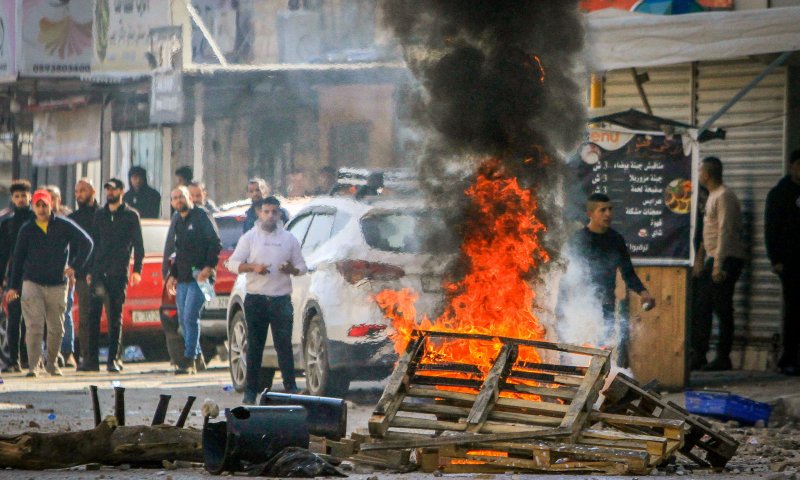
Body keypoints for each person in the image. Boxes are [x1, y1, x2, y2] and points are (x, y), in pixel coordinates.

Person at [226, 196, 307, 403]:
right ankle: (250, 391)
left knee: (284, 346)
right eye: (266, 212)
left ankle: (290, 387)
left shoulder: (289, 239)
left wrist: (290, 269)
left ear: (279, 214)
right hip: (257, 299)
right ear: (259, 214)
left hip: (280, 299)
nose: (270, 216)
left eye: (274, 212)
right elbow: (233, 264)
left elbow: (301, 268)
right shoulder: (250, 238)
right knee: (254, 346)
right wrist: (254, 267)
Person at [4, 190, 92, 377]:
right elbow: (18, 259)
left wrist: (75, 266)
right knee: (34, 326)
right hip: (32, 283)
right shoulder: (27, 229)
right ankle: (34, 366)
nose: (42, 209)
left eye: (45, 205)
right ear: (33, 207)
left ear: (51, 205)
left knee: (56, 327)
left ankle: (52, 363)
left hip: (57, 284)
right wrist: (13, 286)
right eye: (38, 205)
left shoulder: (63, 225)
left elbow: (87, 242)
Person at [563, 193, 655, 352]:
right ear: (590, 214)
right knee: (581, 350)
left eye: (610, 209)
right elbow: (566, 275)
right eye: (603, 210)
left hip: (607, 305)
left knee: (604, 349)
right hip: (581, 306)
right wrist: (562, 305)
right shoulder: (578, 240)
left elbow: (628, 273)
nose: (608, 214)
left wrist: (643, 292)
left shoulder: (616, 239)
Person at [84, 179, 144, 373]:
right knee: (93, 315)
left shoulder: (131, 215)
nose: (110, 192)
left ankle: (114, 359)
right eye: (107, 189)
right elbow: (93, 243)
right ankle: (91, 361)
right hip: (99, 272)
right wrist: (89, 270)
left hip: (118, 273)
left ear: (121, 191)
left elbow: (139, 246)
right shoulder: (100, 215)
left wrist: (137, 270)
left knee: (115, 317)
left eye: (113, 189)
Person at [695, 156, 746, 371]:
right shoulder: (712, 196)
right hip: (713, 257)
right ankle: (700, 354)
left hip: (725, 259)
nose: (698, 175)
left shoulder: (724, 196)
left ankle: (723, 356)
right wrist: (701, 259)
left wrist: (718, 264)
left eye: (700, 171)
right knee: (703, 306)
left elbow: (725, 231)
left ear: (706, 174)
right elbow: (710, 232)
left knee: (722, 309)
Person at [164, 186, 221, 374]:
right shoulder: (178, 221)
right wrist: (172, 274)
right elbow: (179, 251)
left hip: (201, 277)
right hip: (183, 278)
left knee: (190, 316)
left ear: (189, 197)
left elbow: (215, 242)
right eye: (175, 198)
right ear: (172, 203)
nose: (178, 200)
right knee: (183, 320)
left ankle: (188, 360)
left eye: (181, 196)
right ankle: (197, 358)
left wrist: (209, 267)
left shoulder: (202, 216)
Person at [765, 149, 800, 376]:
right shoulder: (779, 193)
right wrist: (775, 258)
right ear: (791, 167)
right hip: (789, 263)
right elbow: (771, 228)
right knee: (793, 312)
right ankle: (788, 359)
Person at [0, 180, 34, 372]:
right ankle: (14, 360)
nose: (21, 199)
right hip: (14, 277)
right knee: (14, 319)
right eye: (17, 196)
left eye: (24, 196)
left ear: (30, 196)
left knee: (33, 320)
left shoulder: (36, 219)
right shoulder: (8, 224)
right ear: (12, 198)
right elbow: (2, 254)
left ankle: (29, 358)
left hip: (34, 276)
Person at [42, 185, 76, 367]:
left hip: (64, 275)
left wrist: (73, 269)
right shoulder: (38, 220)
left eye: (53, 198)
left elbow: (79, 245)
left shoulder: (67, 219)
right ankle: (43, 354)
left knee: (65, 313)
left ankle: (67, 352)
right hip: (42, 276)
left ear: (59, 200)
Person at [68, 178, 99, 370]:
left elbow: (103, 245)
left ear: (92, 191)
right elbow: (71, 249)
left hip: (102, 273)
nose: (79, 195)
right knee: (86, 318)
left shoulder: (103, 215)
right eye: (77, 191)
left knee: (111, 319)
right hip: (81, 276)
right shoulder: (74, 218)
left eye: (83, 190)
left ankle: (112, 359)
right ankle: (88, 359)